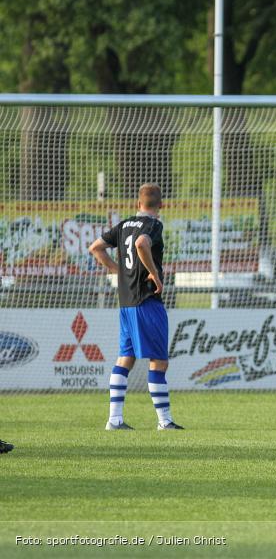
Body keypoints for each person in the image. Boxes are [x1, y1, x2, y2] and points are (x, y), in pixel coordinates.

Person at [89, 183, 183, 431]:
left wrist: (117, 271)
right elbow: (142, 243)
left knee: (126, 358)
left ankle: (115, 419)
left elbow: (95, 248)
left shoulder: (124, 225)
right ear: (161, 205)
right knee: (159, 361)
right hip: (146, 299)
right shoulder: (153, 225)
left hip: (126, 302)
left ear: (137, 204)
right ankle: (164, 421)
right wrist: (155, 274)